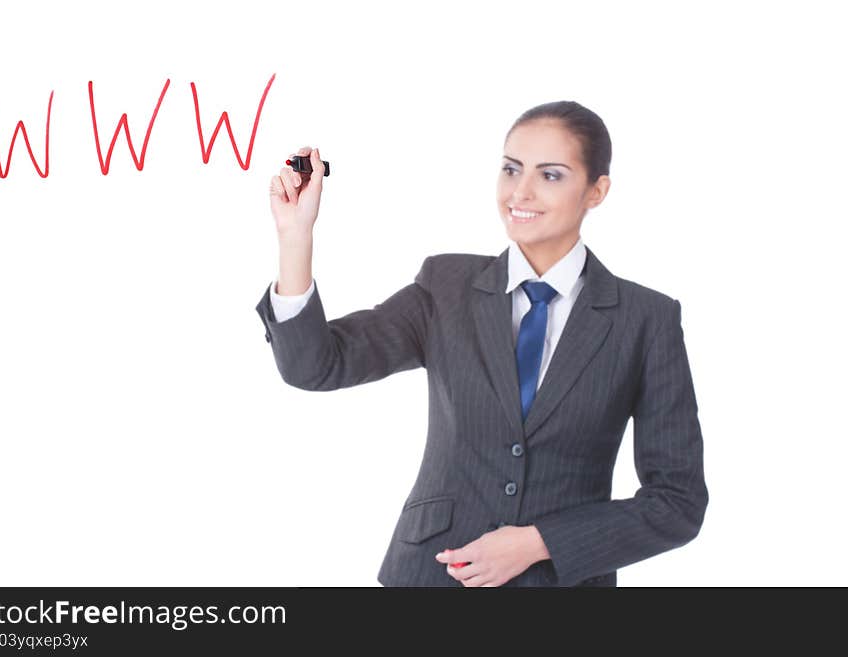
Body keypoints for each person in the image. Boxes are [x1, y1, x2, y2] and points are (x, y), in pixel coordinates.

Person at [255, 101, 708, 587]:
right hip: (430, 575)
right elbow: (317, 366)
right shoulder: (446, 286)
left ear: (597, 191)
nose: (521, 191)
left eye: (550, 175)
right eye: (511, 169)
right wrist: (295, 238)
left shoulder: (646, 319)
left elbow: (677, 503)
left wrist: (539, 541)